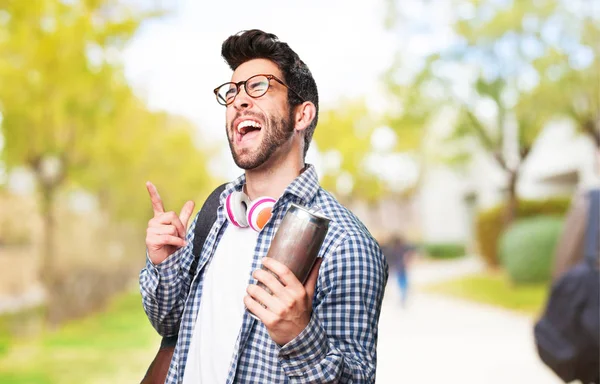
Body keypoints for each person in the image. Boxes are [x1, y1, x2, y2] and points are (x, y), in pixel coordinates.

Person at [139, 29, 389, 384]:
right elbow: (169, 324)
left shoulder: (346, 245)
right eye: (233, 91)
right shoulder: (215, 213)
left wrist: (299, 337)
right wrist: (165, 265)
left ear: (302, 115)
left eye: (259, 86)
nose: (239, 100)